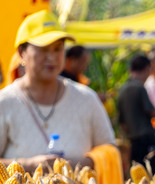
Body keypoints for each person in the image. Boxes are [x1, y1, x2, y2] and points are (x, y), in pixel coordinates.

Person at [0, 10, 115, 173]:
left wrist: (82, 163)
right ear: (21, 53)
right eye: (43, 49)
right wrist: (28, 166)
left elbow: (111, 152)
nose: (52, 57)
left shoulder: (87, 99)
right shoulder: (5, 102)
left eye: (57, 48)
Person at [117, 54, 155, 167]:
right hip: (146, 139)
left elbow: (122, 123)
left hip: (133, 141)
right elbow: (152, 112)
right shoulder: (139, 88)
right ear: (147, 69)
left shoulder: (122, 90)